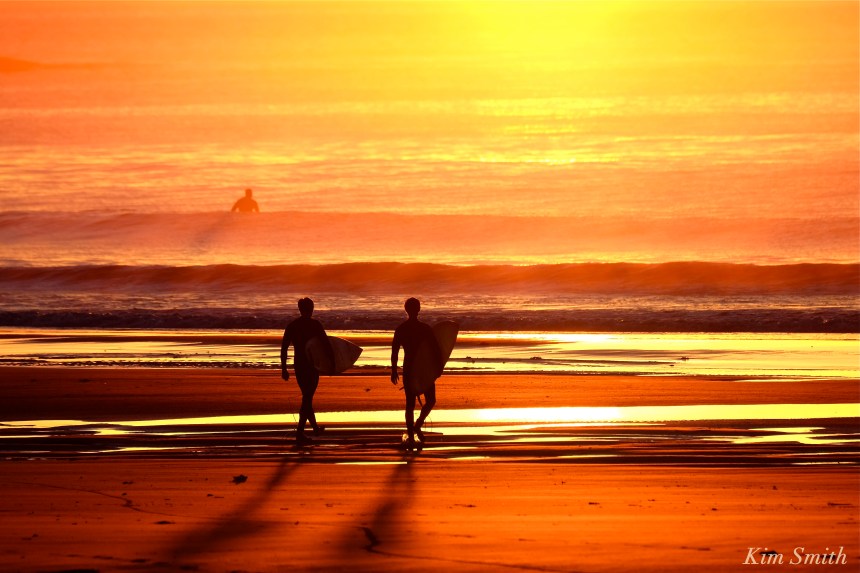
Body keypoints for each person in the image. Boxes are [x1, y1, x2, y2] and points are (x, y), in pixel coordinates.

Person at [281, 297, 334, 444]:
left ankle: (315, 428)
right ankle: (300, 433)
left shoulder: (292, 326)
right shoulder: (315, 325)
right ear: (311, 309)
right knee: (307, 398)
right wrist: (332, 363)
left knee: (307, 396)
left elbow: (284, 348)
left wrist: (284, 368)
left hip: (299, 365)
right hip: (312, 365)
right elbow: (326, 344)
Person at [390, 297, 442, 449]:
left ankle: (412, 434)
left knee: (410, 404)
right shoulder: (425, 328)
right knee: (430, 400)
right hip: (424, 368)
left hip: (409, 368)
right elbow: (436, 350)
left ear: (406, 309)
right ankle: (417, 426)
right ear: (419, 309)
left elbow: (394, 352)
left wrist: (394, 370)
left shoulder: (401, 329)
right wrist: (438, 367)